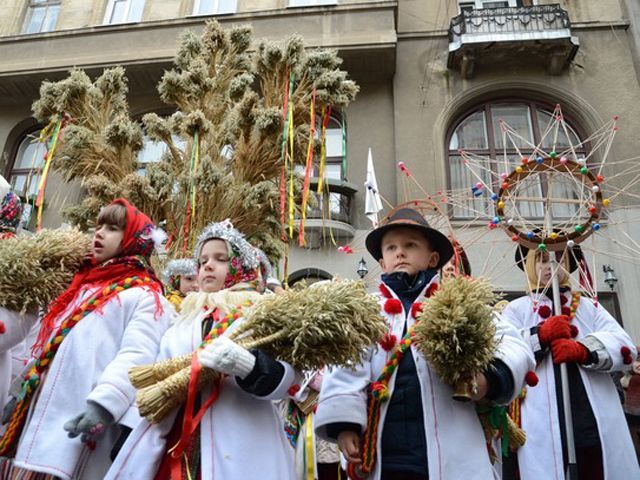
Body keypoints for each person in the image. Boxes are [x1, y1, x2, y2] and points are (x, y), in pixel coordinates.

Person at [315, 208, 534, 480]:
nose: (400, 252)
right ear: (382, 262)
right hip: (385, 448)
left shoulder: (460, 303)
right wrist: (345, 425)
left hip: (453, 447)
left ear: (433, 259)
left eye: (410, 245)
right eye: (391, 247)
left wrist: (487, 379)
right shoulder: (365, 312)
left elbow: (512, 345)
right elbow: (346, 365)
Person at [106, 220, 297, 480]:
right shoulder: (183, 319)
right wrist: (129, 432)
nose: (207, 265)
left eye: (221, 258)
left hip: (242, 444)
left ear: (242, 267)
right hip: (178, 440)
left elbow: (288, 382)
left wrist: (249, 366)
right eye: (203, 259)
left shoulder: (260, 314)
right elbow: (158, 375)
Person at [0, 198, 173, 480]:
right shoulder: (84, 286)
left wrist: (104, 405)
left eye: (113, 228)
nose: (100, 233)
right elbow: (50, 346)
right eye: (99, 225)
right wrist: (21, 391)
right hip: (41, 422)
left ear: (133, 240)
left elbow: (135, 357)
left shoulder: (146, 297)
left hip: (80, 425)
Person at [500, 245, 640, 479]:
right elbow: (504, 350)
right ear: (531, 266)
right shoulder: (517, 309)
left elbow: (623, 345)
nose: (551, 266)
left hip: (589, 416)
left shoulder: (589, 307)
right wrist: (539, 336)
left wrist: (584, 350)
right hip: (543, 418)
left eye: (559, 259)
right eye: (543, 260)